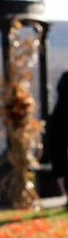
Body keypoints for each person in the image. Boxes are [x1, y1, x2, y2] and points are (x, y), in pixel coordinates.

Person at [47, 72, 68, 205]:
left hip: (58, 123)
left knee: (59, 162)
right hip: (59, 124)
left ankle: (66, 195)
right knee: (60, 161)